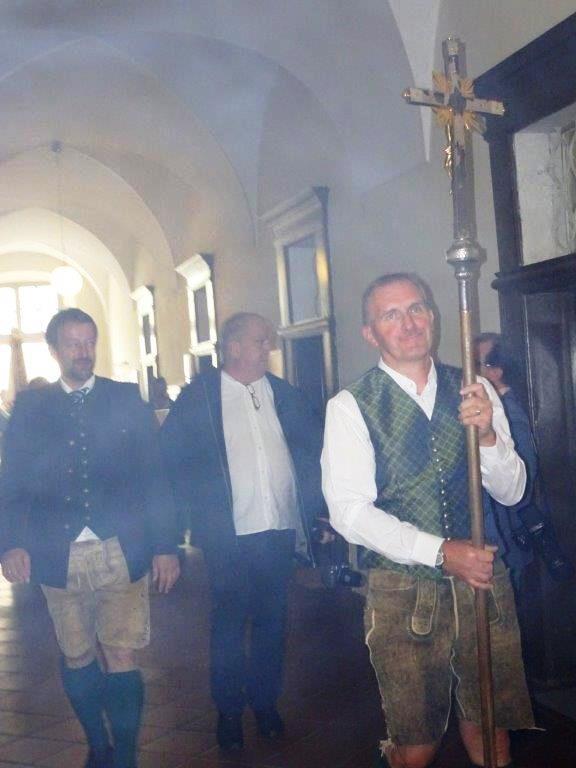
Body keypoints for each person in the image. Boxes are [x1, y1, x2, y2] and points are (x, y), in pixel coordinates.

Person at [321, 273, 534, 768]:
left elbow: (513, 490)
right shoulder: (351, 406)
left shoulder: (475, 388)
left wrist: (488, 438)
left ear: (434, 317)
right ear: (370, 333)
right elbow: (349, 513)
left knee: (492, 734)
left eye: (416, 308)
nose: (409, 323)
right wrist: (439, 552)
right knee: (416, 747)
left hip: (481, 581)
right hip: (402, 590)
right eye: (390, 315)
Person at [0, 308, 180, 768]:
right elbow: (12, 480)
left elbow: (155, 475)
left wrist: (166, 545)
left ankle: (126, 757)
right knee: (77, 654)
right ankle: (98, 743)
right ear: (54, 350)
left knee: (122, 651)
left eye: (89, 342)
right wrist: (10, 543)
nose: (83, 352)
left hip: (121, 546)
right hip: (56, 550)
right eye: (73, 343)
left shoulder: (126, 399)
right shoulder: (31, 407)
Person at [160, 312, 326, 751]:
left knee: (273, 621)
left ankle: (266, 703)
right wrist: (173, 533)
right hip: (227, 535)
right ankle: (229, 711)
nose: (268, 348)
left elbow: (312, 454)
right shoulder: (199, 400)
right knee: (229, 625)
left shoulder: (284, 394)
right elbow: (171, 467)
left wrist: (319, 513)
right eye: (260, 340)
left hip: (278, 530)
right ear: (233, 347)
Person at [475, 332, 574, 584]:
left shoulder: (508, 411)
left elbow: (524, 478)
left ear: (496, 371)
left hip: (508, 535)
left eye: (477, 364)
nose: (469, 371)